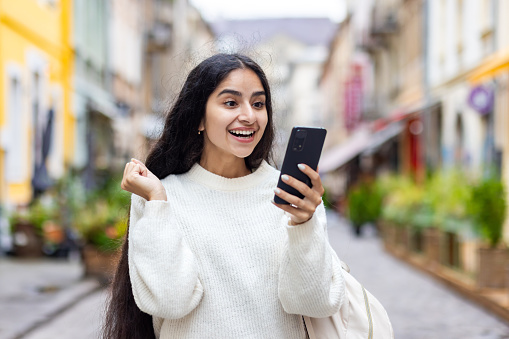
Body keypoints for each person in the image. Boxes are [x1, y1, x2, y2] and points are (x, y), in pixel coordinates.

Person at [102, 53, 345, 339]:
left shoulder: (294, 196)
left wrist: (304, 225)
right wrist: (157, 202)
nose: (249, 116)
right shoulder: (159, 196)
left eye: (258, 103)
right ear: (199, 118)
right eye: (231, 102)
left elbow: (314, 304)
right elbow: (169, 302)